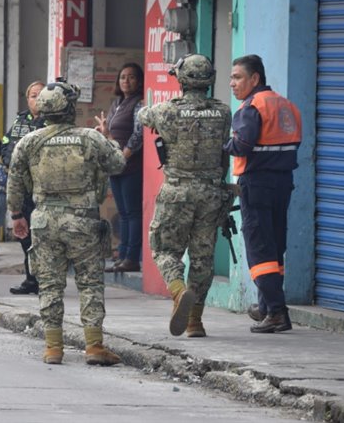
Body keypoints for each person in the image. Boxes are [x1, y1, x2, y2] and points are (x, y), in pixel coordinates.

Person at [7, 79, 126, 365]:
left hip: (44, 221)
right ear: (70, 107)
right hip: (83, 221)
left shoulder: (29, 141)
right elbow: (118, 163)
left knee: (49, 284)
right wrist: (108, 137)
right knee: (90, 284)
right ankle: (95, 346)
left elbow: (14, 182)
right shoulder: (90, 138)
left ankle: (53, 348)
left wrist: (16, 216)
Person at [138, 54, 232, 338]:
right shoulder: (224, 111)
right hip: (211, 193)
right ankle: (195, 321)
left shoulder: (166, 111)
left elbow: (142, 115)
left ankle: (179, 292)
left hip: (177, 191)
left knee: (164, 249)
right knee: (202, 256)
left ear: (182, 79)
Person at [224, 54, 302, 334]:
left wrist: (224, 146)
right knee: (274, 246)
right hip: (283, 182)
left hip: (256, 184)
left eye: (237, 77)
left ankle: (278, 313)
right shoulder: (286, 105)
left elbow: (242, 144)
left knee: (259, 248)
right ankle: (267, 306)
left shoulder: (250, 108)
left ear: (254, 79)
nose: (232, 83)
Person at [95, 63, 144, 272]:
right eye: (123, 77)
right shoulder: (117, 103)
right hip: (116, 166)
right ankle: (122, 254)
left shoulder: (139, 103)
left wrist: (124, 155)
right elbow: (112, 134)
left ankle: (132, 257)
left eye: (131, 77)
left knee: (133, 213)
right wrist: (105, 133)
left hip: (131, 166)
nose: (126, 81)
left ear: (139, 81)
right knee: (122, 213)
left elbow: (139, 133)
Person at [1, 80, 46, 295]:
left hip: (43, 189)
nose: (36, 99)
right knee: (24, 234)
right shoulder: (20, 121)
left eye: (40, 95)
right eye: (33, 95)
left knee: (43, 236)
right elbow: (6, 145)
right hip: (21, 188)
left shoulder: (52, 122)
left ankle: (45, 280)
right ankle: (31, 278)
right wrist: (13, 162)